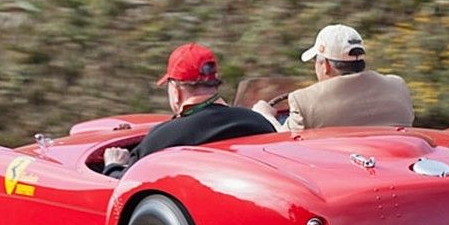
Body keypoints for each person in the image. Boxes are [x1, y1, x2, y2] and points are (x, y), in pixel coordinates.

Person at [103, 43, 274, 177]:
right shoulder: (257, 122)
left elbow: (126, 186)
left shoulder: (163, 137)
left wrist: (113, 165)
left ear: (176, 91)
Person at [252, 24, 414, 132]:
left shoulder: (304, 102)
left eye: (316, 61)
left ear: (325, 65)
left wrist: (265, 115)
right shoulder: (397, 87)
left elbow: (281, 142)